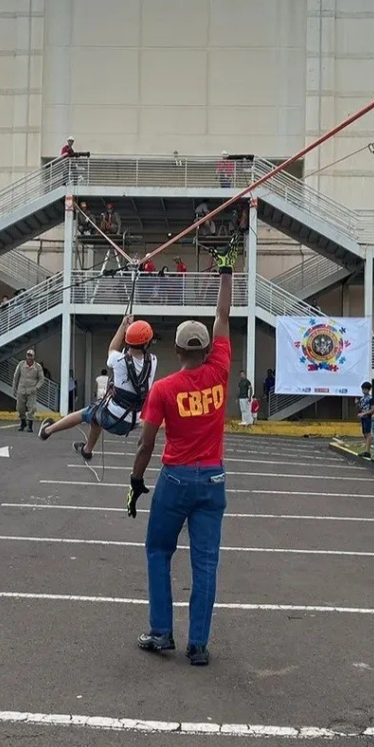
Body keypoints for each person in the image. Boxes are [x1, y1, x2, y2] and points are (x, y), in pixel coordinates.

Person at [126, 248, 234, 667]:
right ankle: (199, 645)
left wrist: (136, 481)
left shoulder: (165, 388)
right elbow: (222, 317)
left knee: (158, 551)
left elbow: (146, 443)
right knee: (205, 563)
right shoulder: (220, 369)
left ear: (174, 350)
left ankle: (161, 631)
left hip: (174, 480)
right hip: (213, 479)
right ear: (208, 349)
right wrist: (226, 271)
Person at [39, 317, 157, 457]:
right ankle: (87, 450)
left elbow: (112, 348)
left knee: (84, 414)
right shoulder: (153, 361)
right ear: (147, 343)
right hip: (134, 421)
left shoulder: (118, 360)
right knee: (96, 417)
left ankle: (47, 431)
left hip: (114, 418)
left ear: (128, 340)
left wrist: (123, 326)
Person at [12, 349, 44, 433]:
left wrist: (37, 387)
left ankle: (30, 425)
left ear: (34, 357)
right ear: (26, 356)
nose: (29, 357)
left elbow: (41, 379)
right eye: (28, 355)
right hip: (21, 389)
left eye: (31, 356)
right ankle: (23, 423)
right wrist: (14, 388)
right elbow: (16, 377)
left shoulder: (37, 367)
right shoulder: (21, 364)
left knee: (32, 408)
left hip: (32, 390)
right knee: (20, 408)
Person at [358, 382, 374, 458]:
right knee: (365, 433)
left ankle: (368, 451)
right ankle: (366, 449)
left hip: (368, 417)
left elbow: (372, 409)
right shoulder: (362, 398)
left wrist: (364, 413)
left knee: (368, 433)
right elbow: (360, 408)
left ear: (369, 389)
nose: (364, 391)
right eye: (363, 389)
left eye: (365, 389)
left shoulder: (370, 398)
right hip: (363, 417)